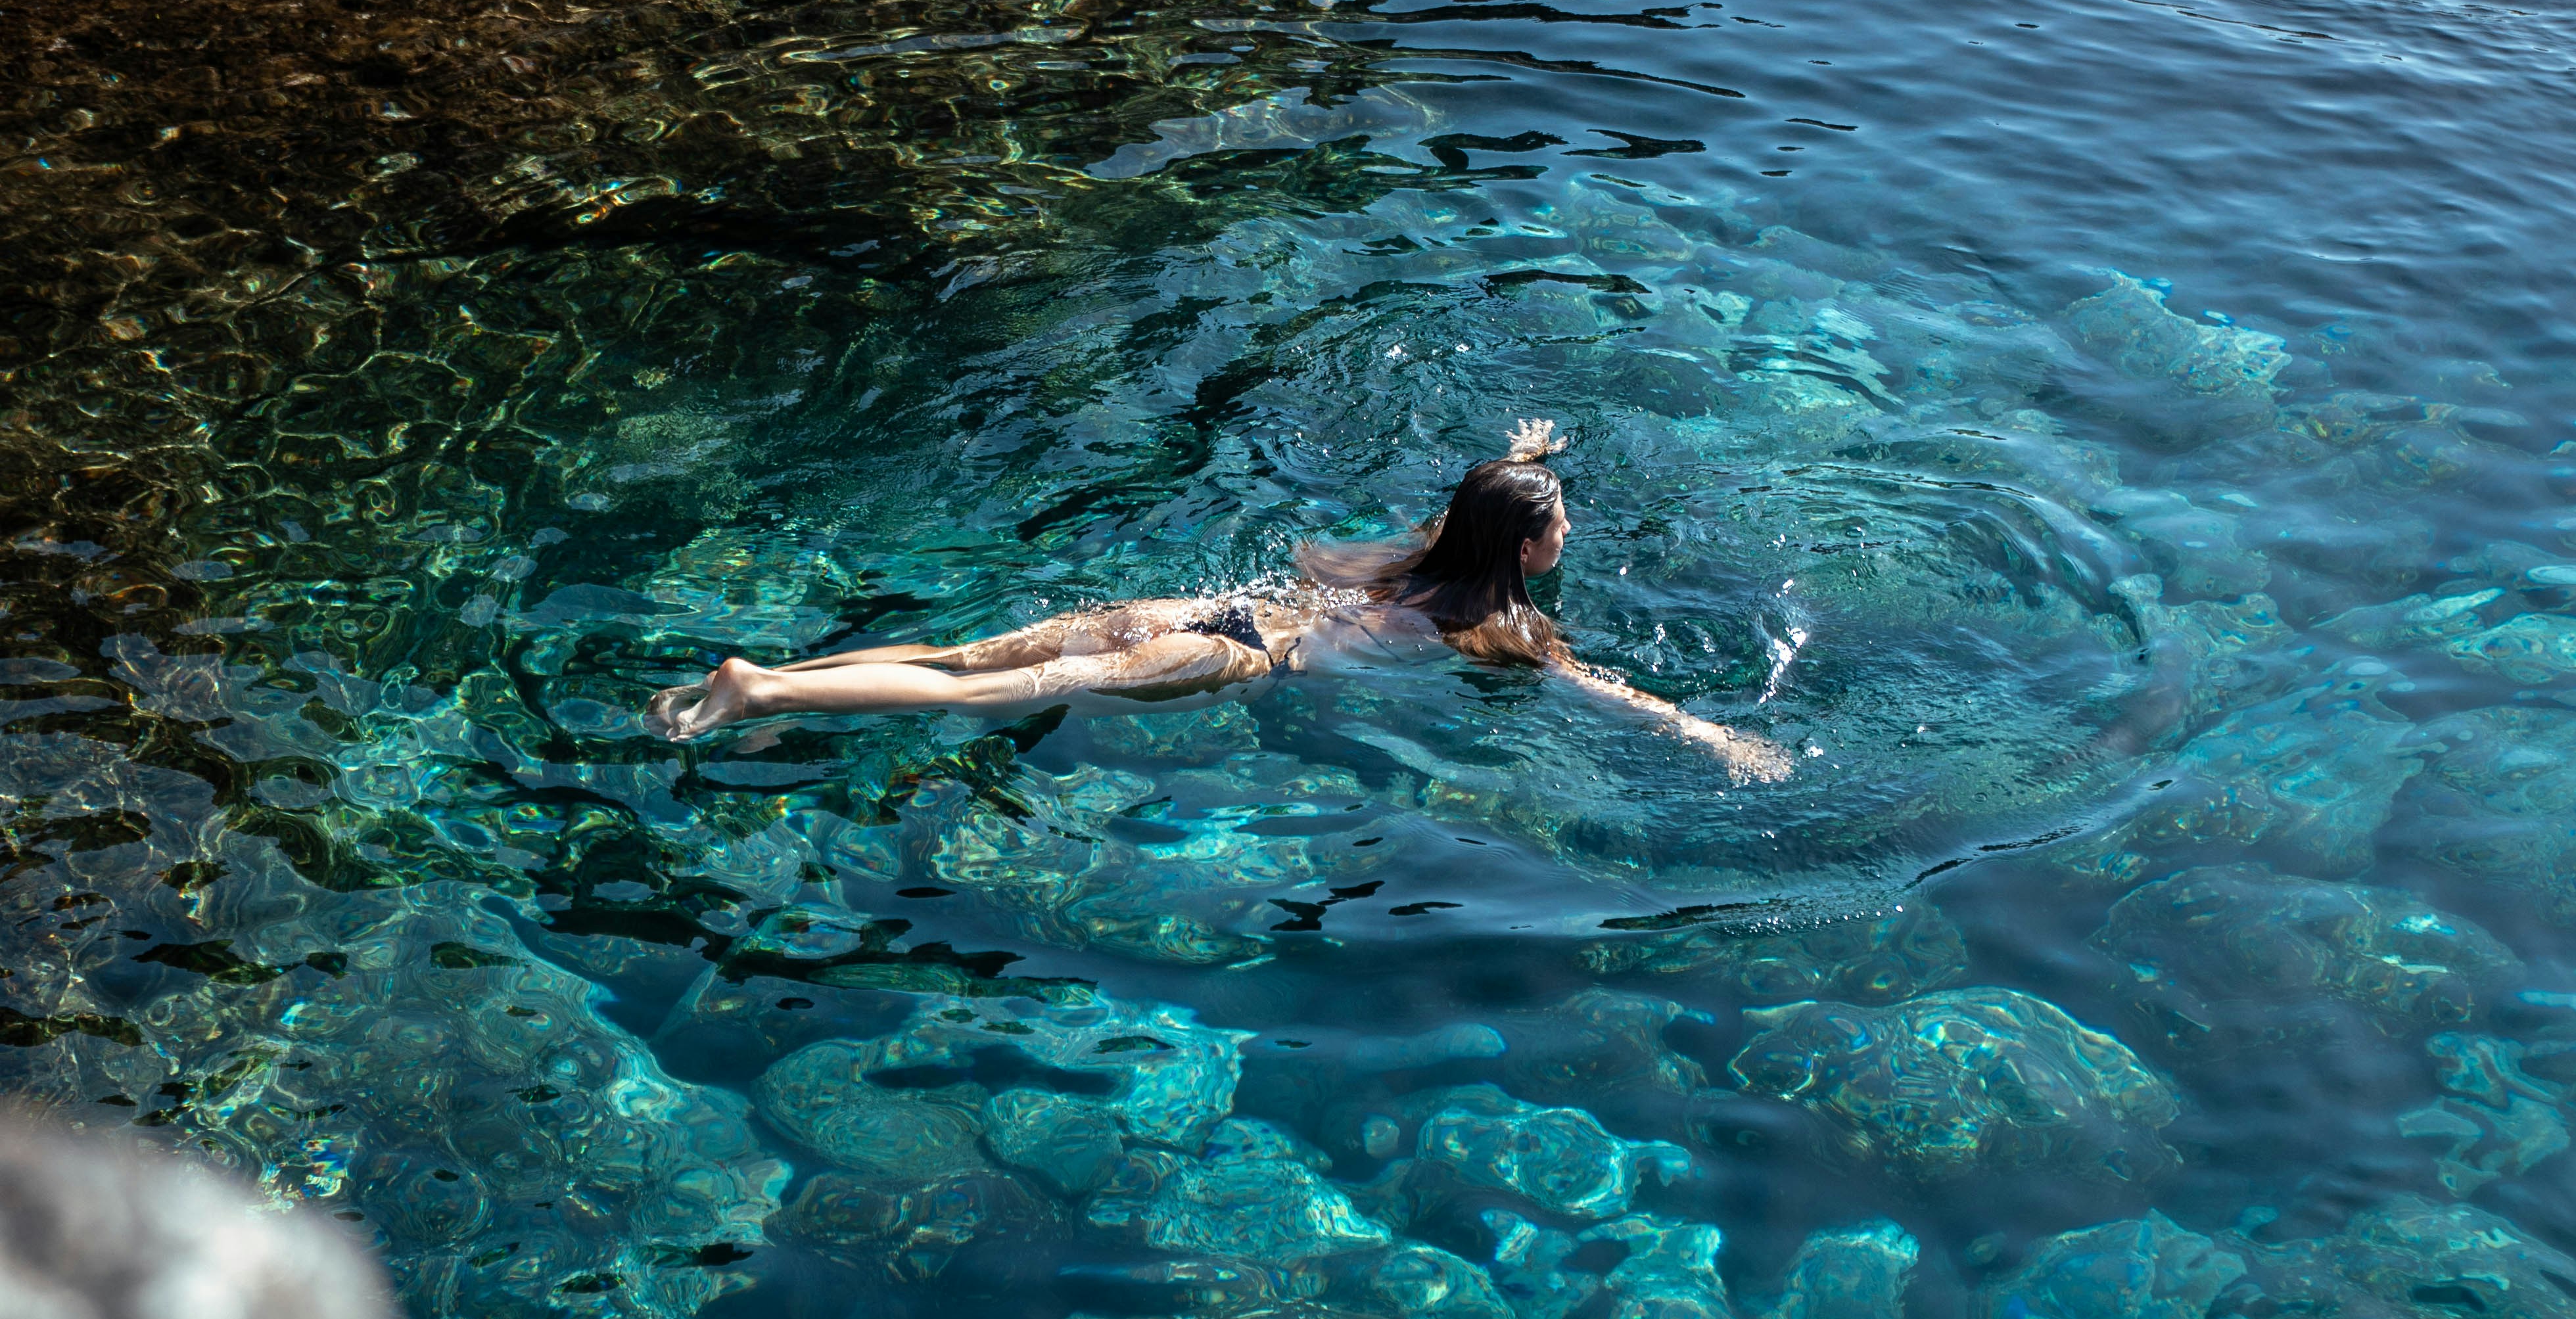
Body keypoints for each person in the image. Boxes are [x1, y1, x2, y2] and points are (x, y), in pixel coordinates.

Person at [644, 419, 1793, 781]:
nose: (1570, 531)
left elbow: (1473, 501)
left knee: (962, 658)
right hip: (1229, 660)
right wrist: (1713, 734)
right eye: (1559, 518)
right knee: (997, 698)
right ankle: (758, 693)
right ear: (1527, 543)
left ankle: (776, 681)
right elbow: (1610, 693)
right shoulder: (1495, 628)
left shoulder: (1423, 549)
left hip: (1192, 606)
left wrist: (1522, 453)